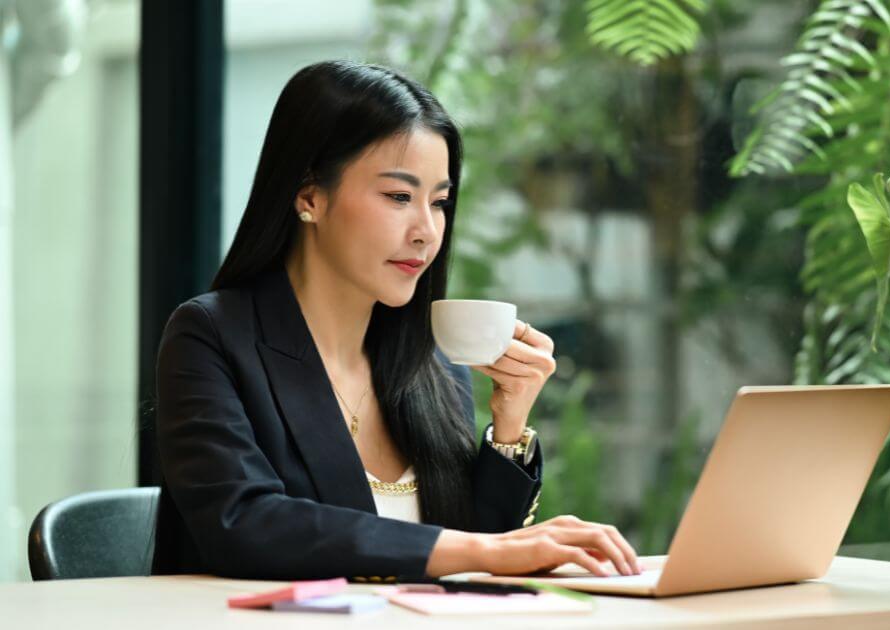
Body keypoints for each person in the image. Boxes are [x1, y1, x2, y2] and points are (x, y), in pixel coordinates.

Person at [151, 60, 639, 581]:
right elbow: (245, 523)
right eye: (399, 197)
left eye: (441, 202)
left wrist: (509, 426)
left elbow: (472, 549)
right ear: (309, 195)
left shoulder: (430, 360)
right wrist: (488, 552)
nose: (427, 230)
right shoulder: (211, 337)